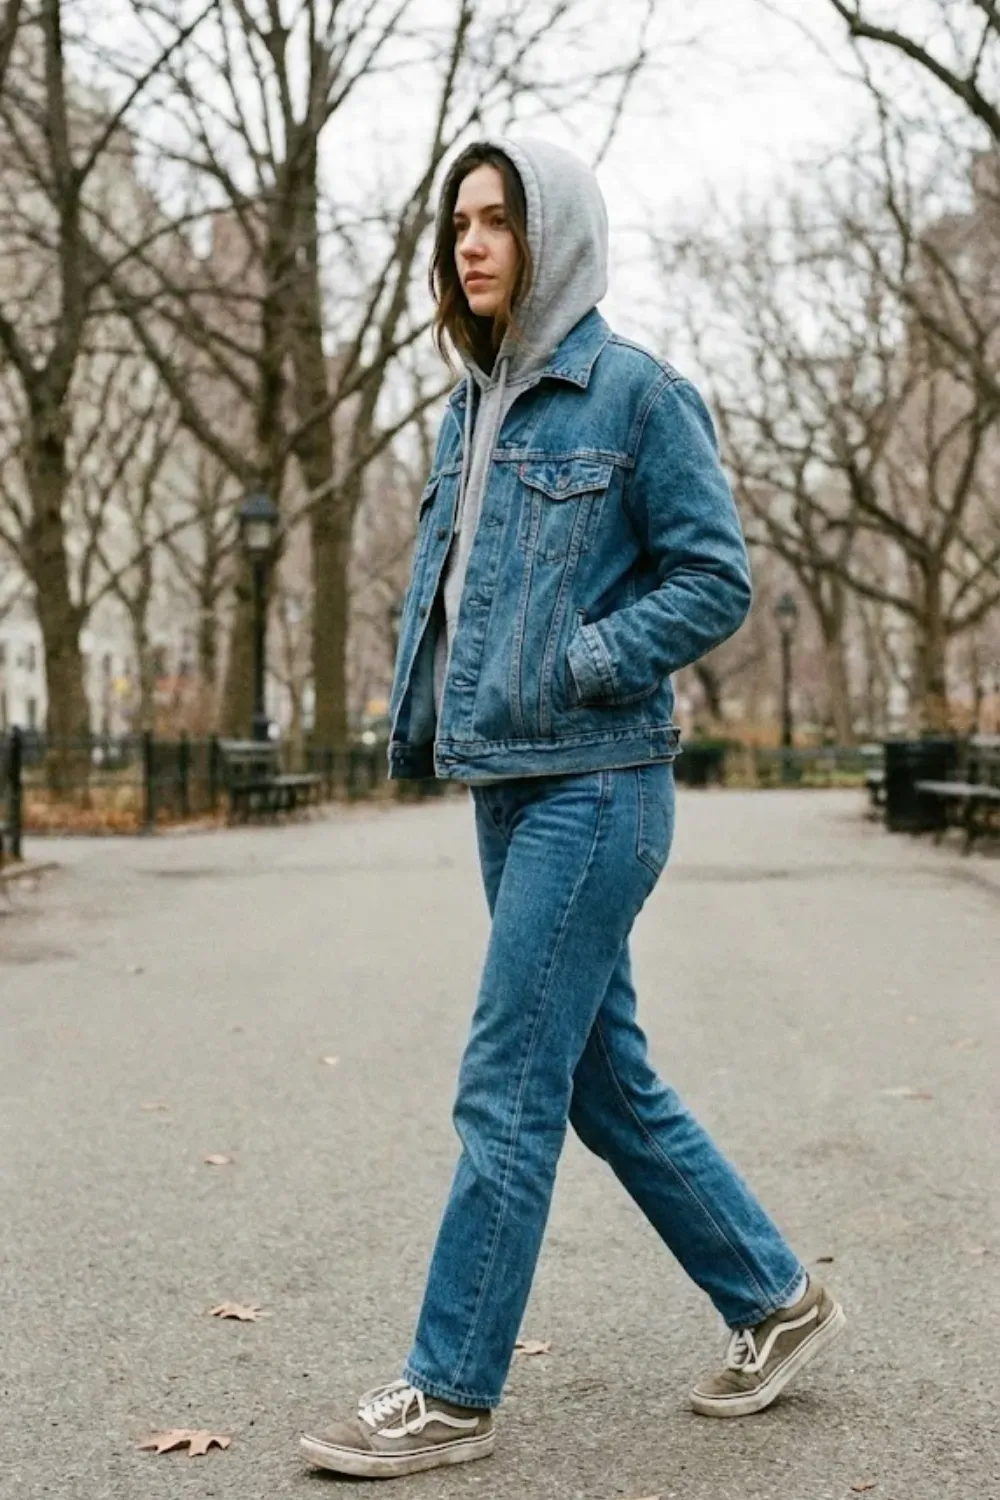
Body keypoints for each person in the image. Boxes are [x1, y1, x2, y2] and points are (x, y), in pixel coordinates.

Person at [300, 137, 844, 1480]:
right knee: (603, 1080)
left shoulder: (641, 397)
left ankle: (450, 1390)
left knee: (507, 1081)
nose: (472, 243)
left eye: (501, 221)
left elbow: (716, 581)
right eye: (461, 223)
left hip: (599, 786)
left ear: (561, 237)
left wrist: (582, 661)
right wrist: (428, 722)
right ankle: (776, 1300)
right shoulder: (467, 408)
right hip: (508, 783)